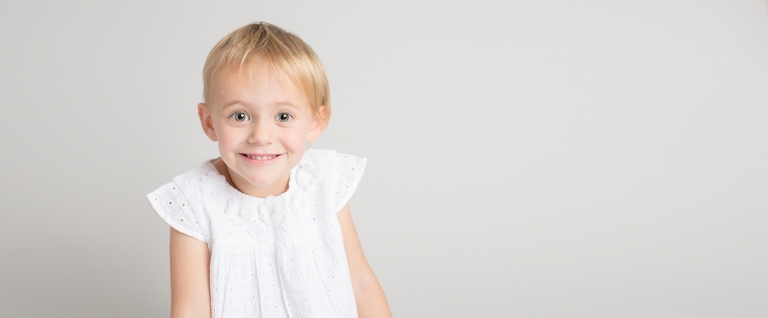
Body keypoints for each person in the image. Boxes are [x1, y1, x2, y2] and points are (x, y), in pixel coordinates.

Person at [147, 22, 391, 318]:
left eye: (283, 116)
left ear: (315, 122)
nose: (261, 136)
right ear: (209, 122)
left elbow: (361, 283)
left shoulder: (324, 181)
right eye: (240, 116)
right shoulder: (194, 201)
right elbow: (191, 308)